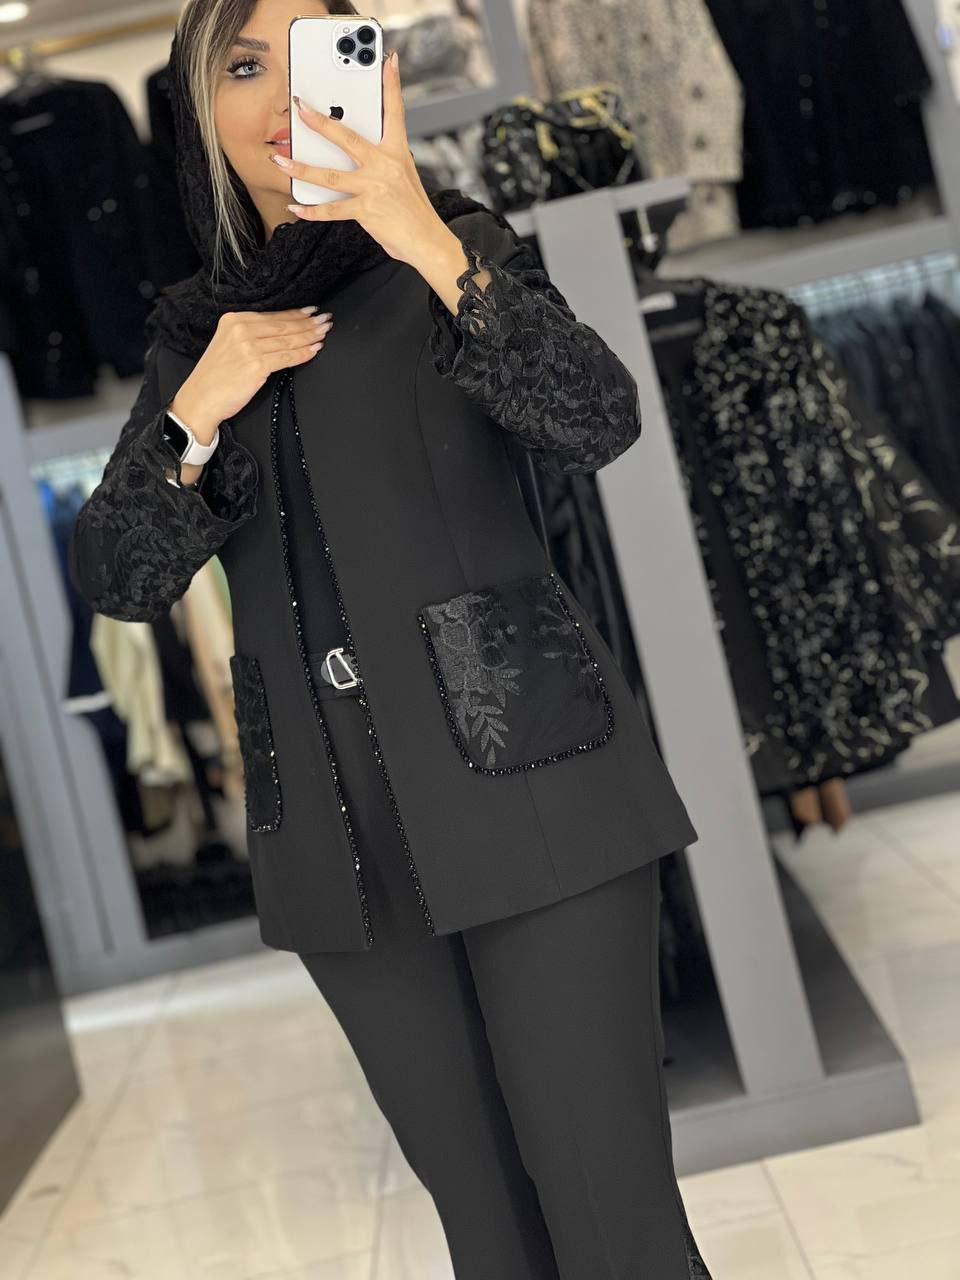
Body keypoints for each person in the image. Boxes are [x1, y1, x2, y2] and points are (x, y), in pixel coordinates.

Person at [70, 0, 713, 1275]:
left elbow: (596, 418)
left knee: (615, 1229)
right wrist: (195, 415)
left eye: (309, 61)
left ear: (371, 78)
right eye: (240, 67)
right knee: (492, 1241)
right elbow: (120, 577)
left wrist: (423, 234)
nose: (276, 97)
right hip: (338, 843)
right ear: (200, 106)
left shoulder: (454, 251)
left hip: (534, 785)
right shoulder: (192, 338)